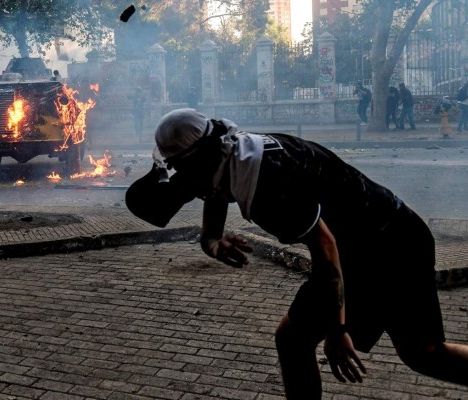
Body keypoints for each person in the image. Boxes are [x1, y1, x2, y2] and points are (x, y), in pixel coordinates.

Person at [126, 108, 468, 399]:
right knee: (416, 353)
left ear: (199, 162)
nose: (180, 181)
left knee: (422, 353)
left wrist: (337, 330)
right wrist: (211, 238)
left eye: (180, 170)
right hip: (368, 243)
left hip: (389, 248)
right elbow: (214, 189)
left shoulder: (266, 186)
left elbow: (325, 247)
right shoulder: (231, 154)